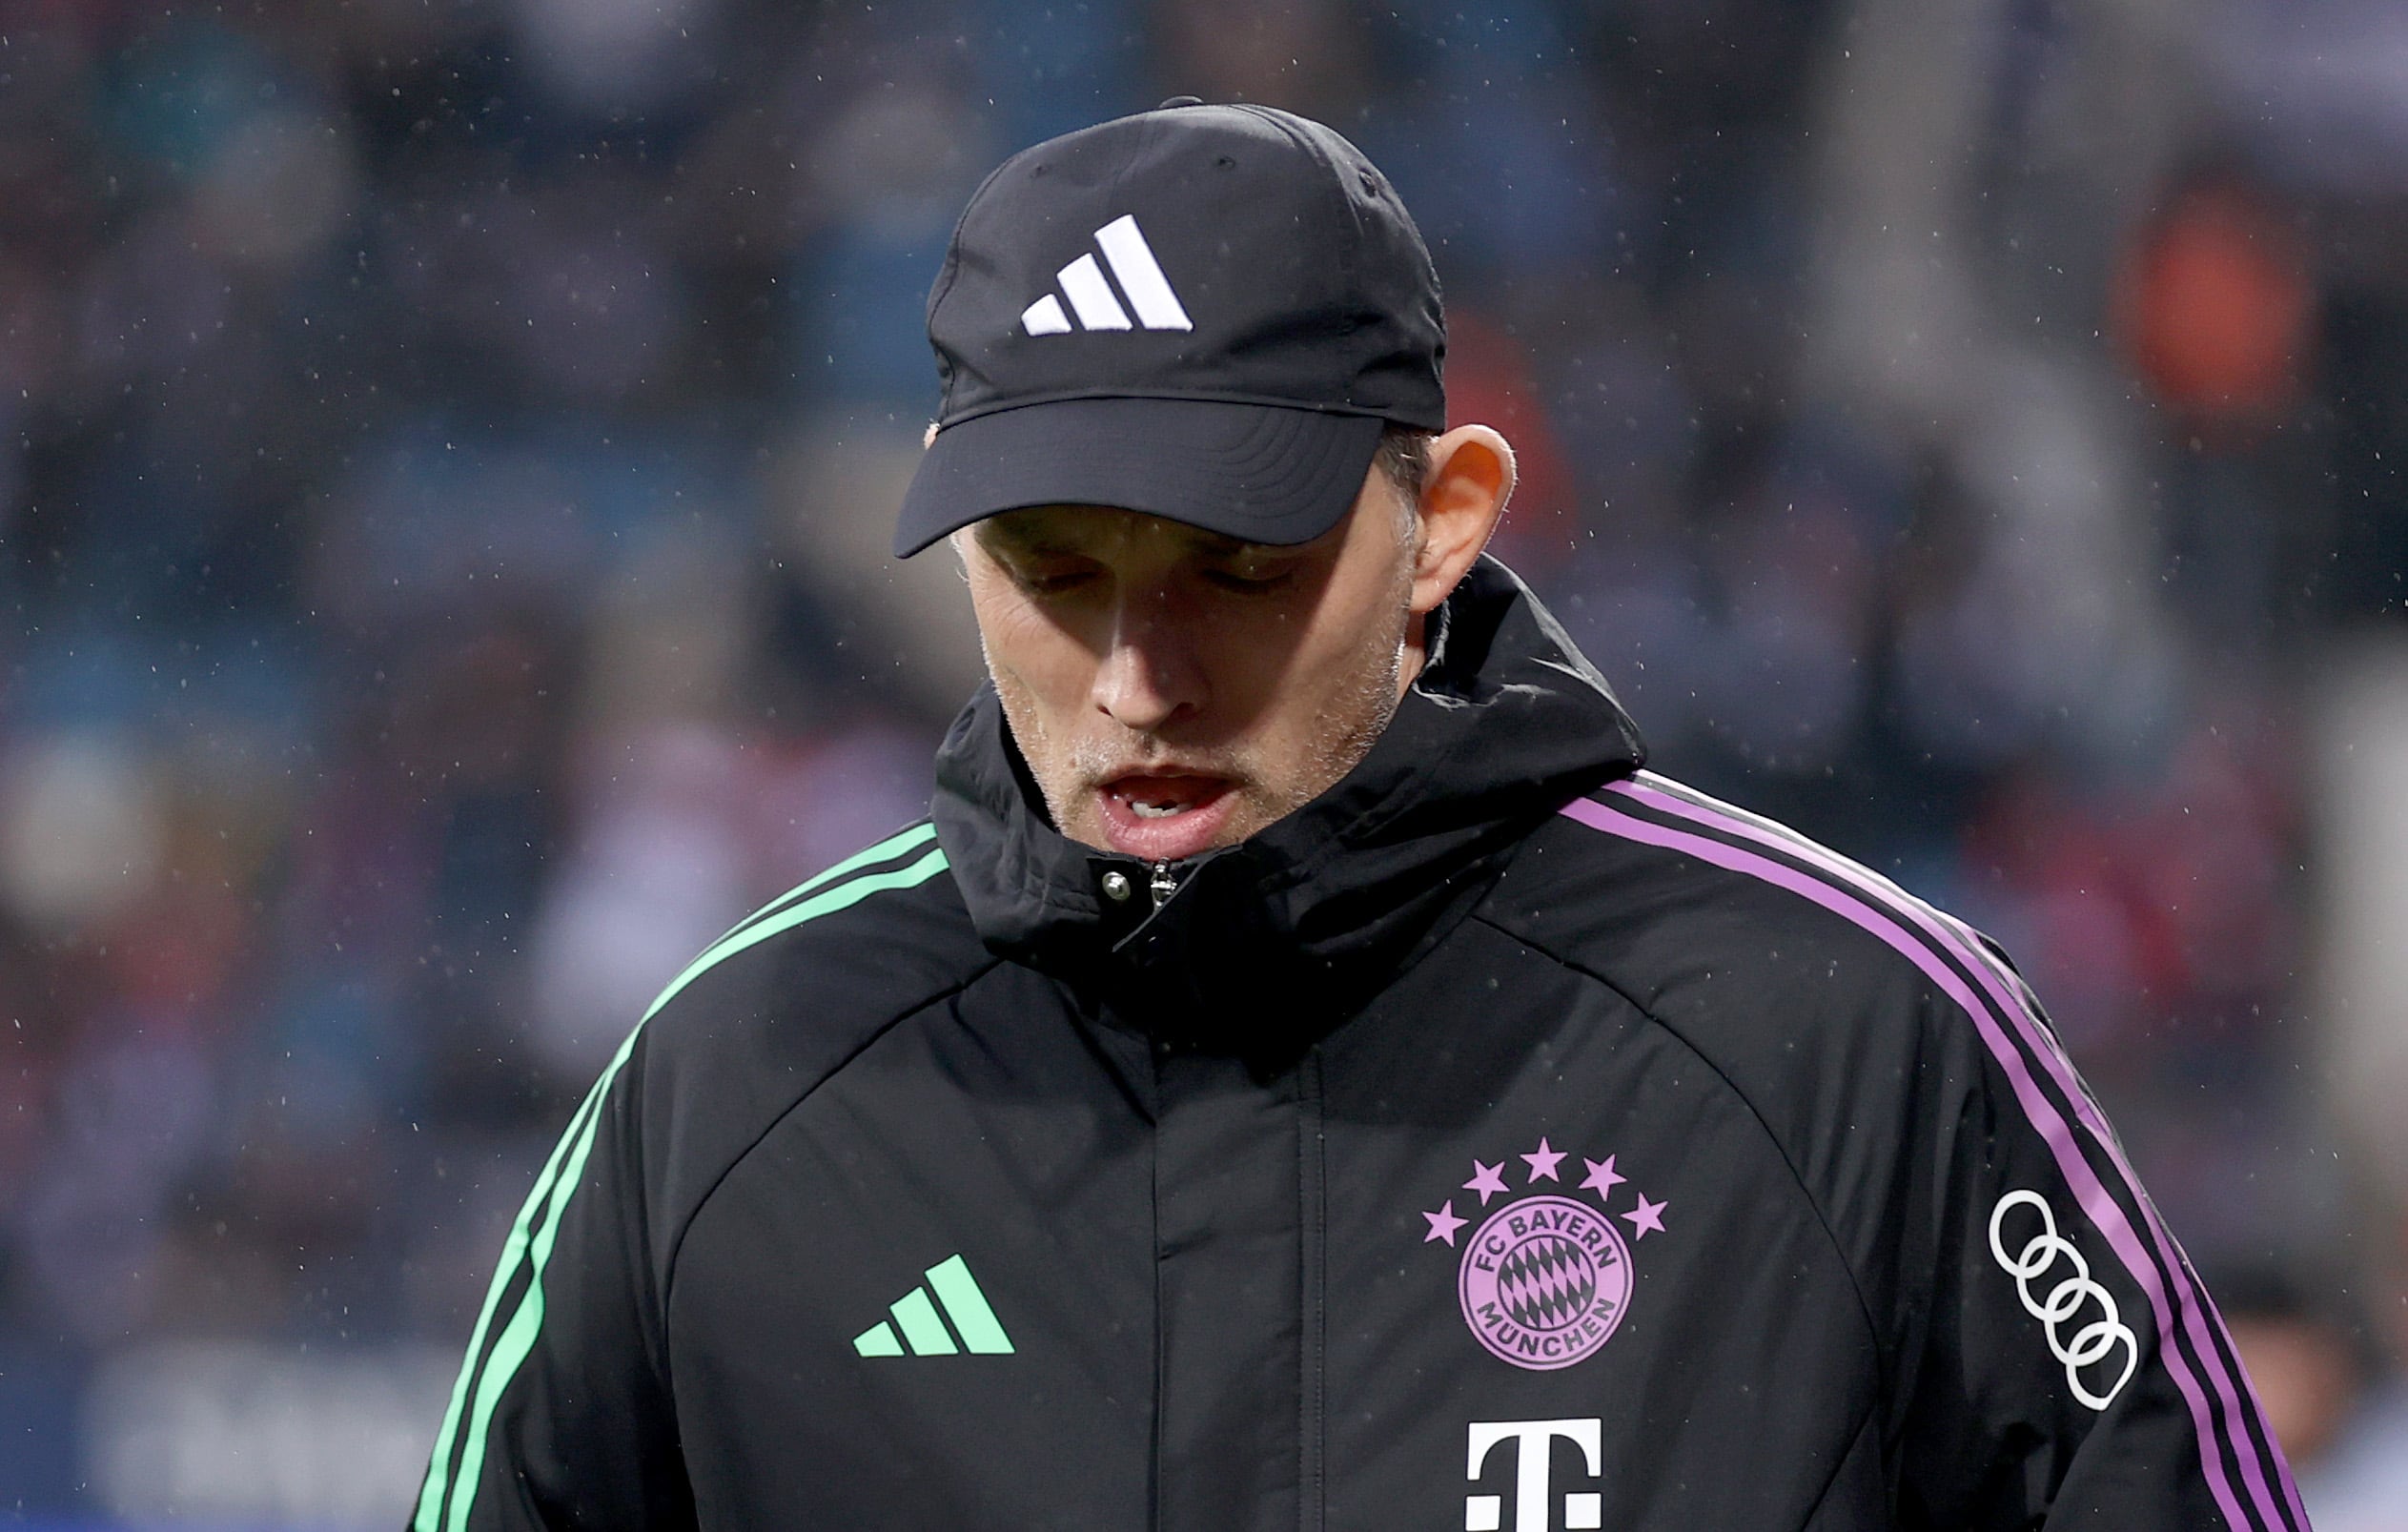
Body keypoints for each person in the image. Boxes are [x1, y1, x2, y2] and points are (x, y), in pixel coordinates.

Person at [409, 100, 2306, 1531]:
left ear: (1451, 519)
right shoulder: (736, 1085)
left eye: (1235, 569)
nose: (1137, 676)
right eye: (1056, 574)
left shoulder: (1849, 1043)